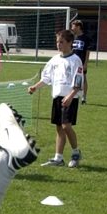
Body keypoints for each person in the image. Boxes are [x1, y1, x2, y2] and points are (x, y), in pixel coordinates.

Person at [28, 29, 83, 167]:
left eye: (62, 42)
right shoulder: (54, 60)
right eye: (57, 42)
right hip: (58, 97)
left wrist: (71, 96)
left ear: (70, 43)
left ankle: (76, 153)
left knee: (66, 125)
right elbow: (46, 78)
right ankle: (58, 158)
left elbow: (78, 82)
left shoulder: (76, 60)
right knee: (59, 127)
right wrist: (35, 86)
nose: (58, 45)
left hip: (70, 98)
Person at [71, 19, 89, 102]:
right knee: (71, 78)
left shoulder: (85, 38)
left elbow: (87, 52)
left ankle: (84, 97)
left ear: (78, 27)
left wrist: (85, 63)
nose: (72, 28)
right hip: (72, 62)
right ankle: (72, 94)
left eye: (73, 26)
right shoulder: (72, 37)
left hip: (81, 63)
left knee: (83, 79)